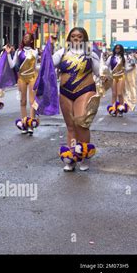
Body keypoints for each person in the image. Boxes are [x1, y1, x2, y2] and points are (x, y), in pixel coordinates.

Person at [52, 27, 100, 171]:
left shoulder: (91, 54)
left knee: (81, 123)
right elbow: (47, 67)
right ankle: (72, 156)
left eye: (79, 36)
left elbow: (99, 72)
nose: (76, 38)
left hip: (85, 91)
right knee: (71, 126)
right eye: (73, 36)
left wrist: (101, 82)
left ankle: (84, 155)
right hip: (65, 92)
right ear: (69, 38)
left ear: (84, 38)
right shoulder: (61, 53)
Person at [6, 33, 39, 135]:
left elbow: (36, 65)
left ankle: (31, 124)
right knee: (23, 101)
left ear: (32, 40)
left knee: (32, 101)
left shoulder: (35, 51)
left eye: (28, 38)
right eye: (24, 38)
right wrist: (8, 53)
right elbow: (12, 65)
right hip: (22, 78)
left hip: (33, 76)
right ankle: (24, 123)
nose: (25, 39)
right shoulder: (18, 51)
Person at [105, 44, 135, 117]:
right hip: (113, 77)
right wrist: (107, 74)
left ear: (121, 49)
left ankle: (121, 109)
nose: (117, 50)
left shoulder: (124, 57)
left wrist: (132, 67)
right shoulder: (110, 57)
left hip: (121, 76)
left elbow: (126, 68)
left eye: (119, 48)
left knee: (119, 93)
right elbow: (106, 66)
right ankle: (113, 109)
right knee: (114, 94)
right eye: (116, 48)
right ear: (114, 49)